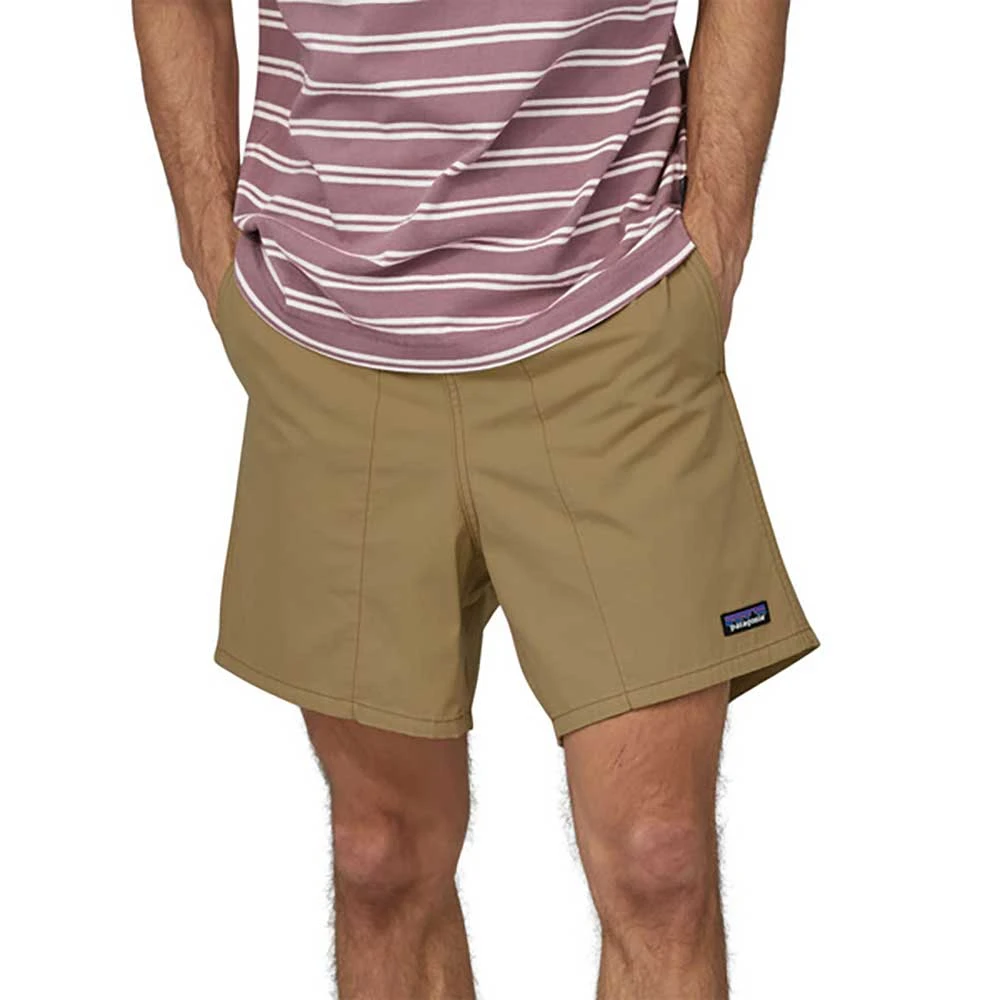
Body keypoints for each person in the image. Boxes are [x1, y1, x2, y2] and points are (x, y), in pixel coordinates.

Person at [133, 0, 819, 995]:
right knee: (381, 856)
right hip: (333, 327)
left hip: (613, 314)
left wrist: (716, 227)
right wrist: (209, 244)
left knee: (658, 858)